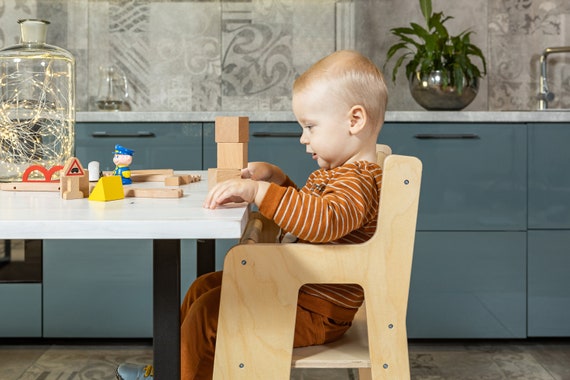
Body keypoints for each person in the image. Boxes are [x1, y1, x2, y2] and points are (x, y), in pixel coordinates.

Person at [116, 49, 388, 380]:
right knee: (205, 287)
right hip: (301, 294)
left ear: (354, 120)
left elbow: (324, 222)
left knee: (208, 313)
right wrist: (278, 180)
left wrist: (261, 193)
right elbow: (312, 212)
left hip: (315, 312)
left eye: (310, 126)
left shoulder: (357, 178)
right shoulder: (343, 173)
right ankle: (172, 370)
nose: (304, 138)